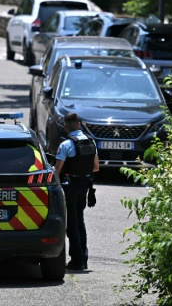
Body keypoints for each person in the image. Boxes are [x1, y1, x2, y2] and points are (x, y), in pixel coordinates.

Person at [54, 112, 100, 270]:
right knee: (80, 221)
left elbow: (56, 171)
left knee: (71, 223)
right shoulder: (91, 142)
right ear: (79, 125)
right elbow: (96, 167)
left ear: (66, 127)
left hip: (70, 186)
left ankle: (77, 260)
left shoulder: (66, 145)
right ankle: (83, 257)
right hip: (85, 185)